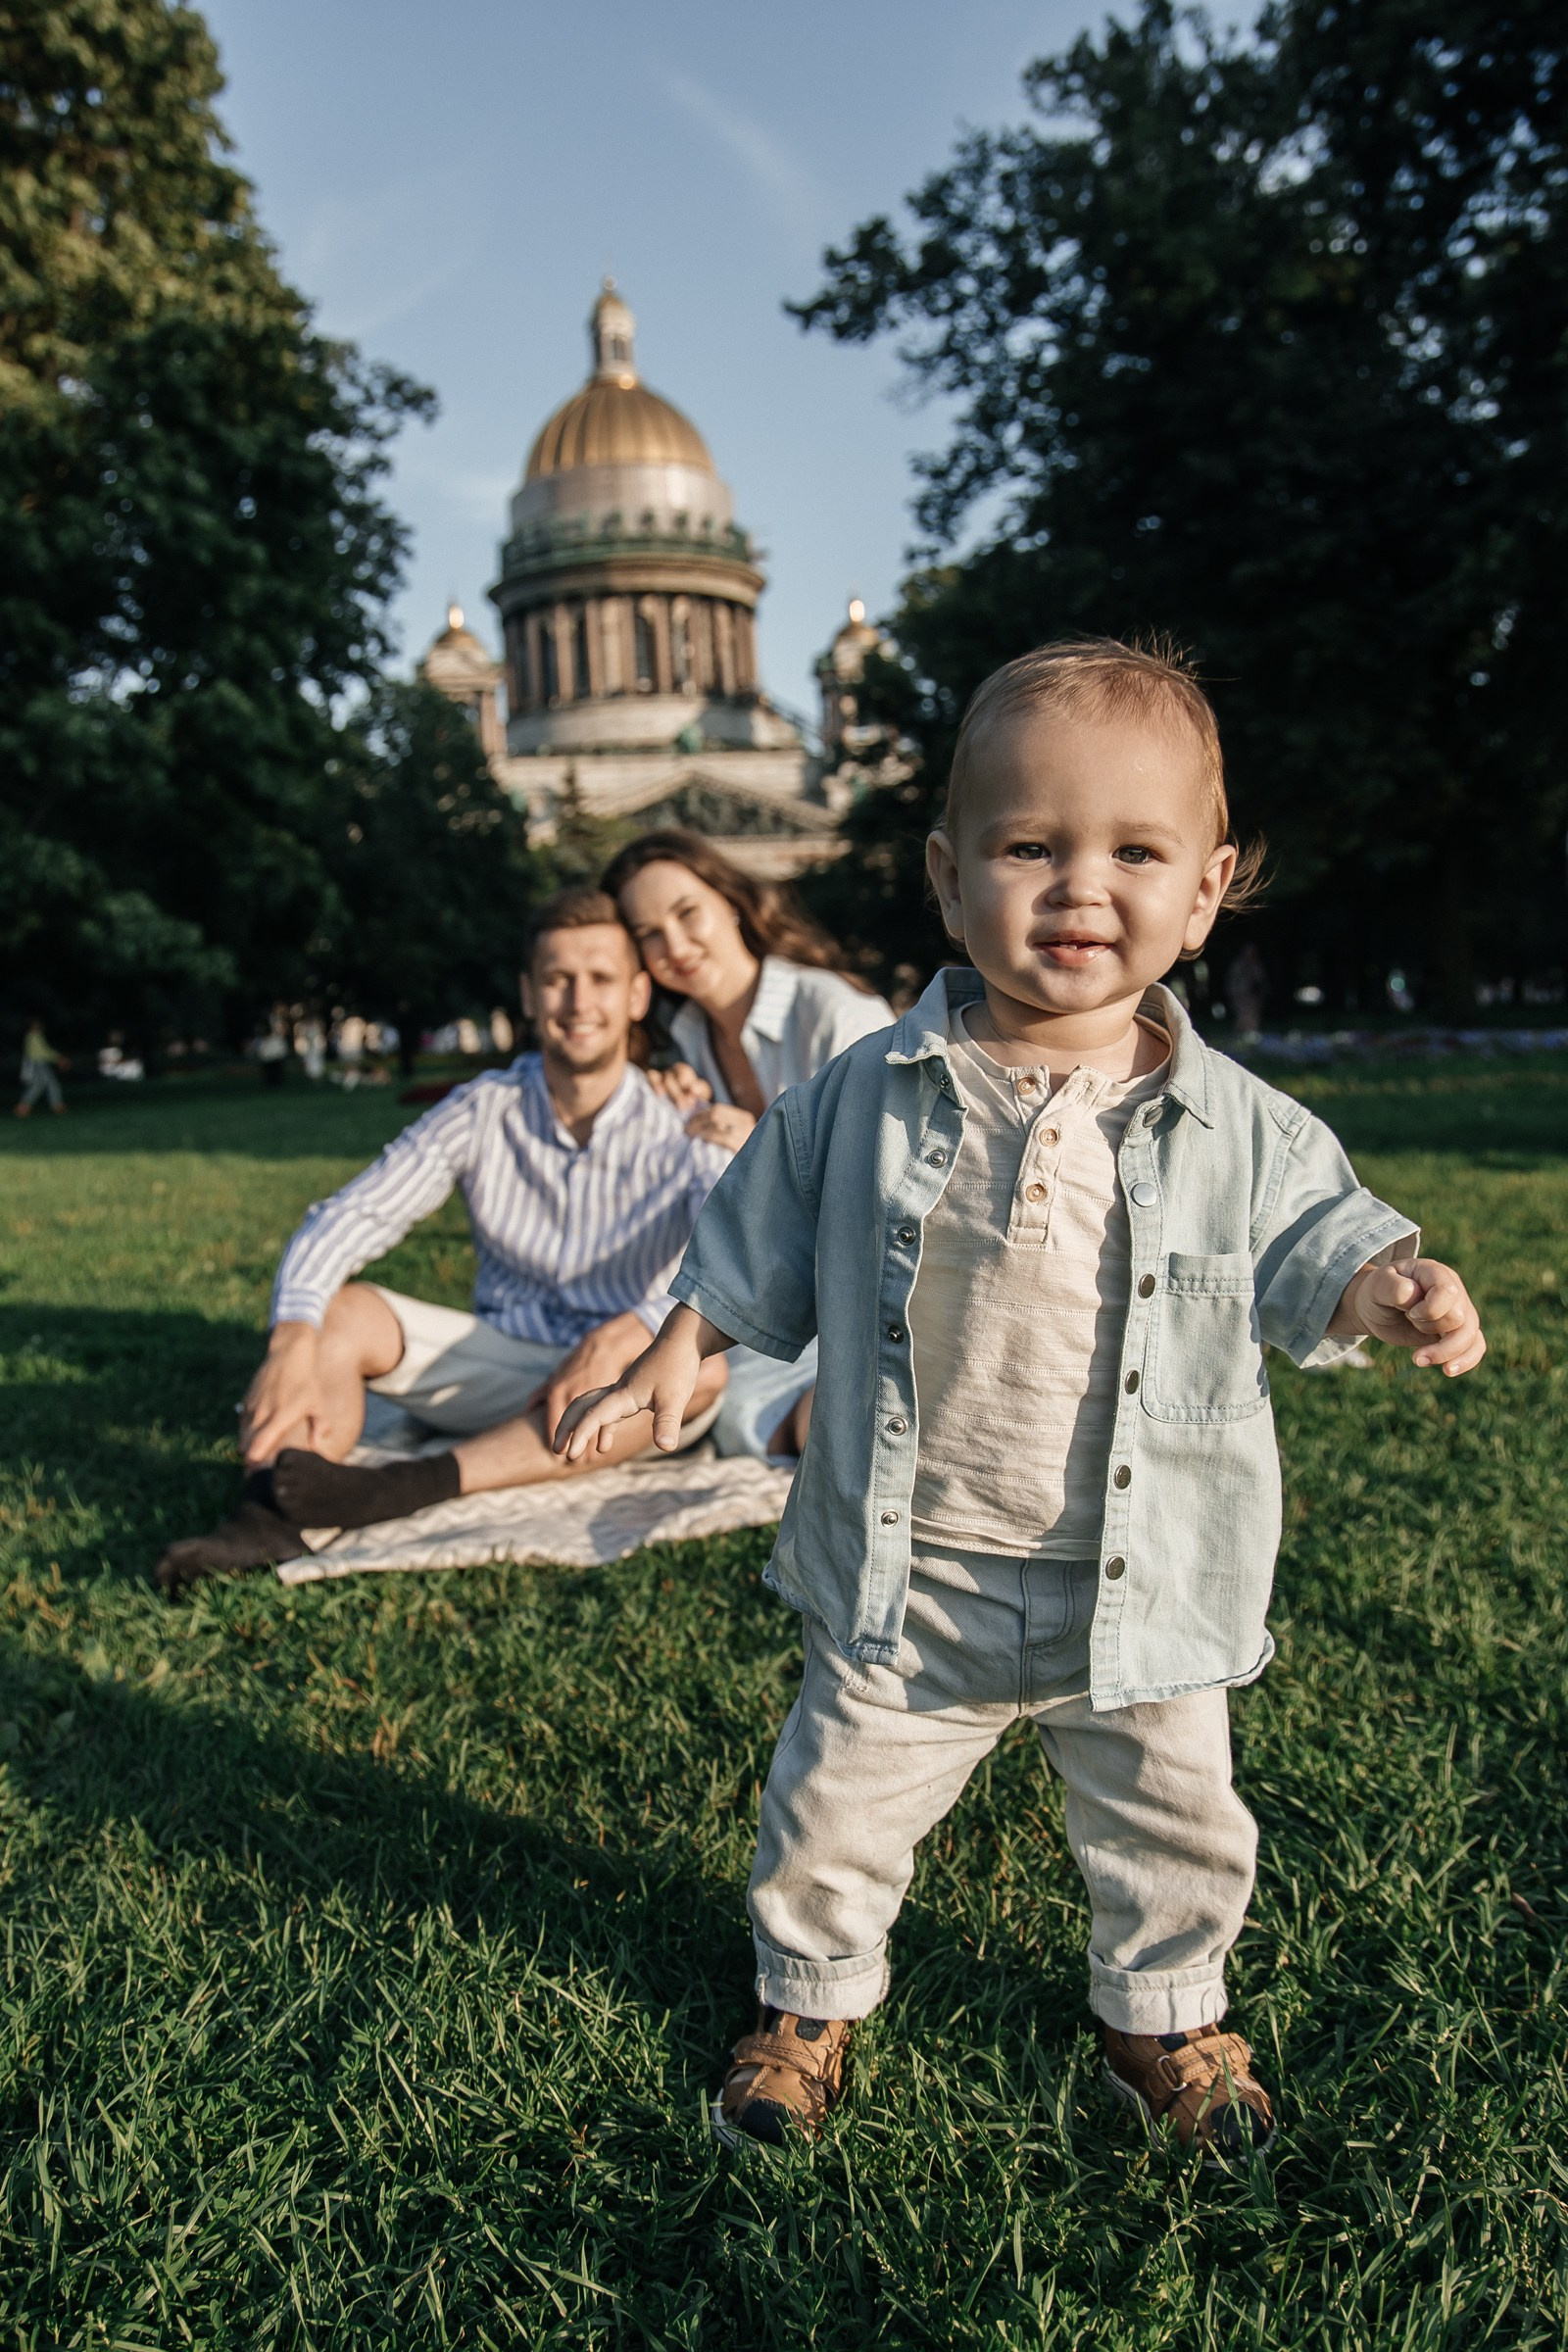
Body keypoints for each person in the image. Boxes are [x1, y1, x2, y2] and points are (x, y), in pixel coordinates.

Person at [558, 641, 1486, 2161]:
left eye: (1134, 851)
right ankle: (808, 1997)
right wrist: (687, 1341)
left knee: (1174, 1823)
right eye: (1029, 846)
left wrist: (1387, 1284)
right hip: (911, 1567)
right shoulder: (863, 1091)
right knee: (835, 1803)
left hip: (1145, 1579)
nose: (1078, 888)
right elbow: (760, 1230)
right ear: (948, 876)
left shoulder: (1241, 1121)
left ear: (1205, 890)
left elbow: (1318, 1235)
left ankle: (1163, 2012)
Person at [155, 887, 731, 1596]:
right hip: (500, 1366)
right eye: (557, 979)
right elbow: (355, 1214)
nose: (579, 1002)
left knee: (702, 1368)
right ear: (528, 993)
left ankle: (397, 1489)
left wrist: (636, 1328)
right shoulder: (482, 1108)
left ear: (639, 995)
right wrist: (290, 1337)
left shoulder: (685, 1123)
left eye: (602, 979)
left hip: (621, 1383)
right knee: (338, 1314)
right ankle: (269, 1513)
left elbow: (727, 1256)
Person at [602, 830, 894, 1460]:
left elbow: (892, 1184)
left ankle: (871, 1416)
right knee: (706, 1407)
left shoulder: (834, 1012)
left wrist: (769, 1152)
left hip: (864, 1293)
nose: (674, 946)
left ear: (730, 901)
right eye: (649, 933)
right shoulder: (687, 1041)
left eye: (687, 914)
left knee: (729, 1415)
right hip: (776, 1295)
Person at [16, 1019, 68, 1116]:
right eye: (36, 1024)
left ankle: (23, 1106)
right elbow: (41, 1052)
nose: (39, 1026)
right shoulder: (33, 1036)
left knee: (38, 1085)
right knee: (51, 1083)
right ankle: (56, 1105)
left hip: (37, 1063)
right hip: (38, 1063)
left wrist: (57, 1057)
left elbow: (44, 1050)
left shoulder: (35, 1036)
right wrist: (58, 1058)